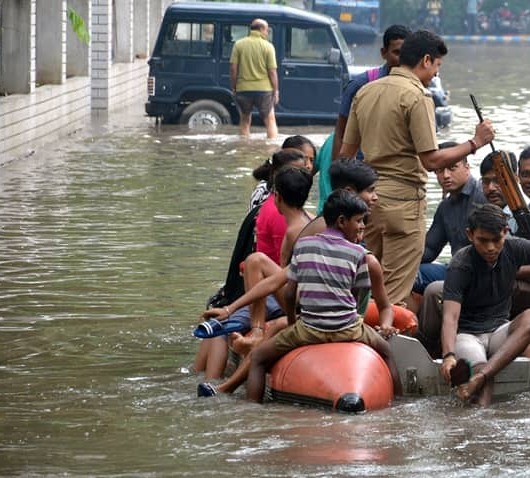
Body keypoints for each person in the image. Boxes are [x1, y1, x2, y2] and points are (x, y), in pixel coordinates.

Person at [198, 159, 385, 397]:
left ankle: (240, 389)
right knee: (273, 317)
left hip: (312, 315)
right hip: (333, 317)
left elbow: (286, 284)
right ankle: (252, 339)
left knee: (263, 347)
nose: (376, 197)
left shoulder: (314, 235)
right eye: (371, 191)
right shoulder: (341, 243)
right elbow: (285, 283)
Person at [340, 29, 495, 307]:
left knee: (366, 285)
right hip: (403, 203)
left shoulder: (365, 92)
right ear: (426, 60)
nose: (436, 73)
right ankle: (387, 344)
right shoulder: (418, 96)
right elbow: (431, 160)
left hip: (367, 202)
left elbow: (346, 156)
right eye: (437, 66)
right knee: (395, 295)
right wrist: (475, 142)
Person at [245, 190, 402, 403]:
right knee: (386, 351)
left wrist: (293, 323)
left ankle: (253, 408)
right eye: (359, 221)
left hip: (309, 329)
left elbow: (290, 293)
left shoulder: (303, 245)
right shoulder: (358, 253)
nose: (363, 226)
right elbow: (357, 298)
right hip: (348, 328)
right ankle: (399, 404)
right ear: (341, 221)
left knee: (257, 358)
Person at [438, 204, 530, 405]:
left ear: (505, 233)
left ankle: (482, 376)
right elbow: (450, 317)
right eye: (483, 241)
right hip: (468, 335)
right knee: (481, 376)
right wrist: (448, 355)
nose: (490, 248)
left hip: (500, 330)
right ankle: (480, 410)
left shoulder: (514, 247)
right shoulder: (461, 263)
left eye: (496, 240)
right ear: (470, 235)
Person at [412, 141, 487, 300]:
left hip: (480, 273)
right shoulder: (445, 207)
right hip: (455, 269)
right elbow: (430, 249)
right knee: (406, 273)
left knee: (412, 277)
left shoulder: (482, 195)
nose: (445, 175)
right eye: (440, 170)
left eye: (452, 168)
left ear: (467, 167)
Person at [331, 25, 410, 161]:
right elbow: (340, 133)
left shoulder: (416, 91)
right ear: (384, 53)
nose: (402, 60)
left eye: (407, 54)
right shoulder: (359, 85)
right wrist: (337, 176)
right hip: (364, 168)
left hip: (400, 171)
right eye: (397, 53)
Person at [230, 18, 278, 139]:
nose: (267, 33)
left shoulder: (238, 44)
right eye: (267, 30)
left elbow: (233, 69)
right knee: (270, 120)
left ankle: (243, 149)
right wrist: (276, 90)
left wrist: (234, 87)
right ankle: (271, 149)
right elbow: (272, 72)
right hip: (264, 90)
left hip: (243, 89)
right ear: (261, 29)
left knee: (245, 120)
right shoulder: (268, 47)